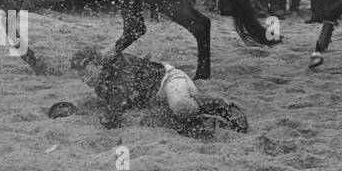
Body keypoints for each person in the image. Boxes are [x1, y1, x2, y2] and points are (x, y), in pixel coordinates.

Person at [66, 48, 249, 137]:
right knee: (150, 122)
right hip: (157, 100)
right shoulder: (102, 85)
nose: (85, 79)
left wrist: (108, 117)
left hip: (171, 80)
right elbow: (117, 105)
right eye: (81, 75)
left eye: (86, 72)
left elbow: (120, 97)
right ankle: (204, 122)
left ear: (96, 64)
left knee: (181, 105)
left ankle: (224, 106)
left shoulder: (120, 63)